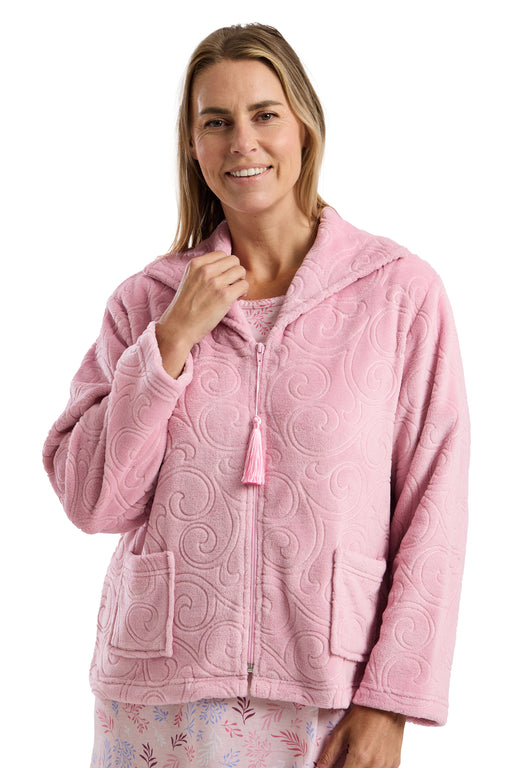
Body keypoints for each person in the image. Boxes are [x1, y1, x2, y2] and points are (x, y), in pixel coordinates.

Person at [43, 23, 470, 768]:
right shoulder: (147, 301)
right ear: (193, 145)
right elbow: (91, 502)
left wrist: (390, 701)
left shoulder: (399, 294)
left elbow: (435, 507)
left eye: (264, 114)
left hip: (326, 697)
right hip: (158, 702)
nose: (242, 142)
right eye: (216, 122)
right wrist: (170, 342)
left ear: (304, 125)